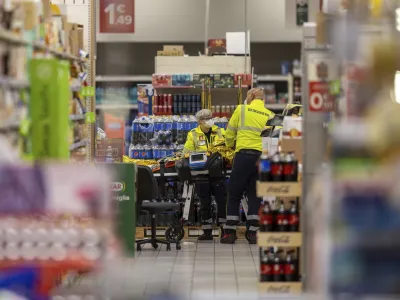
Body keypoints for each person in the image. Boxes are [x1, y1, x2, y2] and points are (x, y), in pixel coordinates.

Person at [221, 88, 274, 244]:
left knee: (235, 192)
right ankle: (253, 232)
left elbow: (230, 132)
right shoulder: (270, 115)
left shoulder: (241, 109)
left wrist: (229, 145)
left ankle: (230, 231)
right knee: (256, 193)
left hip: (244, 155)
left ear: (251, 96)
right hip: (262, 158)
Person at [183, 109, 227, 241]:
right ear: (199, 121)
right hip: (201, 173)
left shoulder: (220, 131)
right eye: (206, 118)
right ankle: (207, 231)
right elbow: (187, 151)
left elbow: (227, 147)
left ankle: (224, 228)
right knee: (204, 201)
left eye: (210, 117)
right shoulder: (193, 134)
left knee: (221, 200)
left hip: (218, 172)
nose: (209, 119)